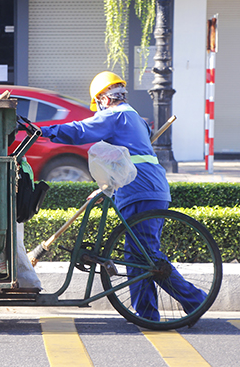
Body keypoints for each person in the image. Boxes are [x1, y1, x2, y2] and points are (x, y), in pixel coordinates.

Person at [38, 71, 206, 321]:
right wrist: (106, 187)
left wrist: (43, 131)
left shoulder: (115, 115)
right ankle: (148, 315)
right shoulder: (134, 117)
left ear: (104, 99)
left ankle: (195, 301)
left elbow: (80, 131)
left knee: (146, 256)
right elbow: (124, 159)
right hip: (148, 188)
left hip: (140, 190)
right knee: (140, 256)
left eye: (98, 105)